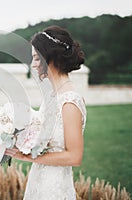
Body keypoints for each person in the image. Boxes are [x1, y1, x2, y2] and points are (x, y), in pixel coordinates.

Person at [5, 25, 87, 199]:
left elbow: (74, 156)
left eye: (36, 58)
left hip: (55, 187)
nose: (33, 65)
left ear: (51, 57)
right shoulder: (51, 95)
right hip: (38, 180)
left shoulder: (69, 101)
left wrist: (27, 157)